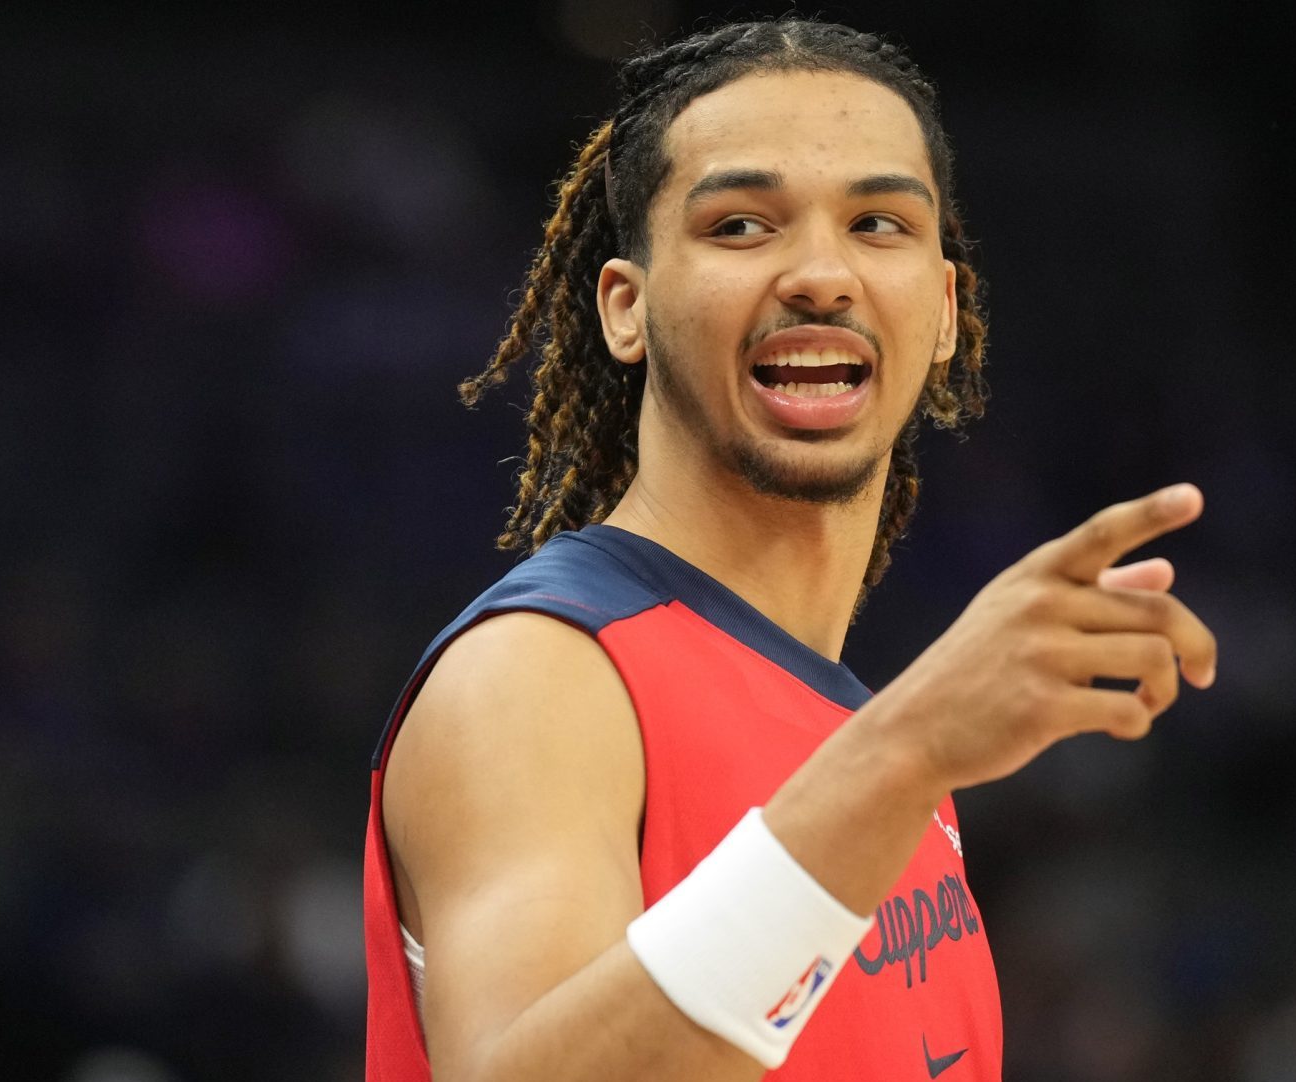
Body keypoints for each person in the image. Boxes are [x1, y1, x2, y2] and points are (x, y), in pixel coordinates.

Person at [362, 17, 1218, 1082]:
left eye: (878, 223)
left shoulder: (865, 739)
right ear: (627, 309)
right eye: (740, 226)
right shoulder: (539, 673)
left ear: (945, 311)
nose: (821, 274)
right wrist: (903, 752)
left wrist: (897, 756)